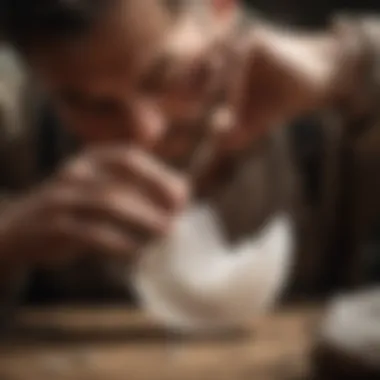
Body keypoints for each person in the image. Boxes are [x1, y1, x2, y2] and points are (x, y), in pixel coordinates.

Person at [0, 0, 378, 325]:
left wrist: (349, 66)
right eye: (88, 105)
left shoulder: (331, 104)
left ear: (220, 7)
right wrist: (10, 236)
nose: (144, 132)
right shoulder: (16, 124)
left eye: (164, 75)